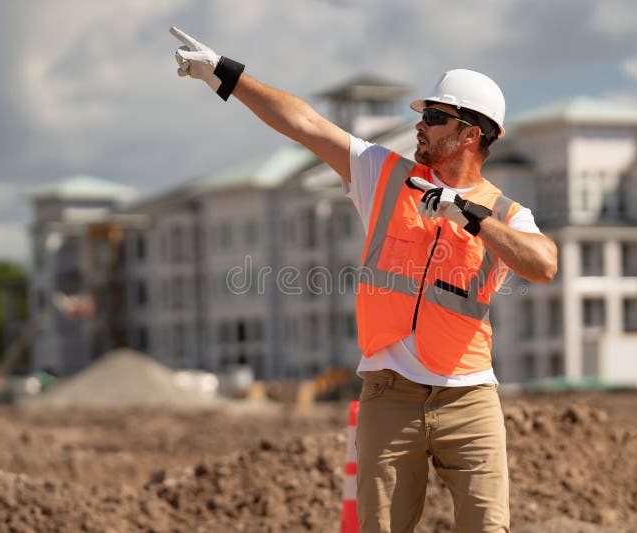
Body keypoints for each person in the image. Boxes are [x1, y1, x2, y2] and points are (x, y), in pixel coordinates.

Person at [170, 27, 557, 532]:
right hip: (389, 395)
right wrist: (225, 74)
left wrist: (472, 218)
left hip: (469, 397)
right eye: (421, 114)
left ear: (470, 134)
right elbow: (305, 124)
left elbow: (544, 264)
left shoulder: (506, 213)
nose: (420, 125)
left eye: (435, 118)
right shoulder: (384, 176)